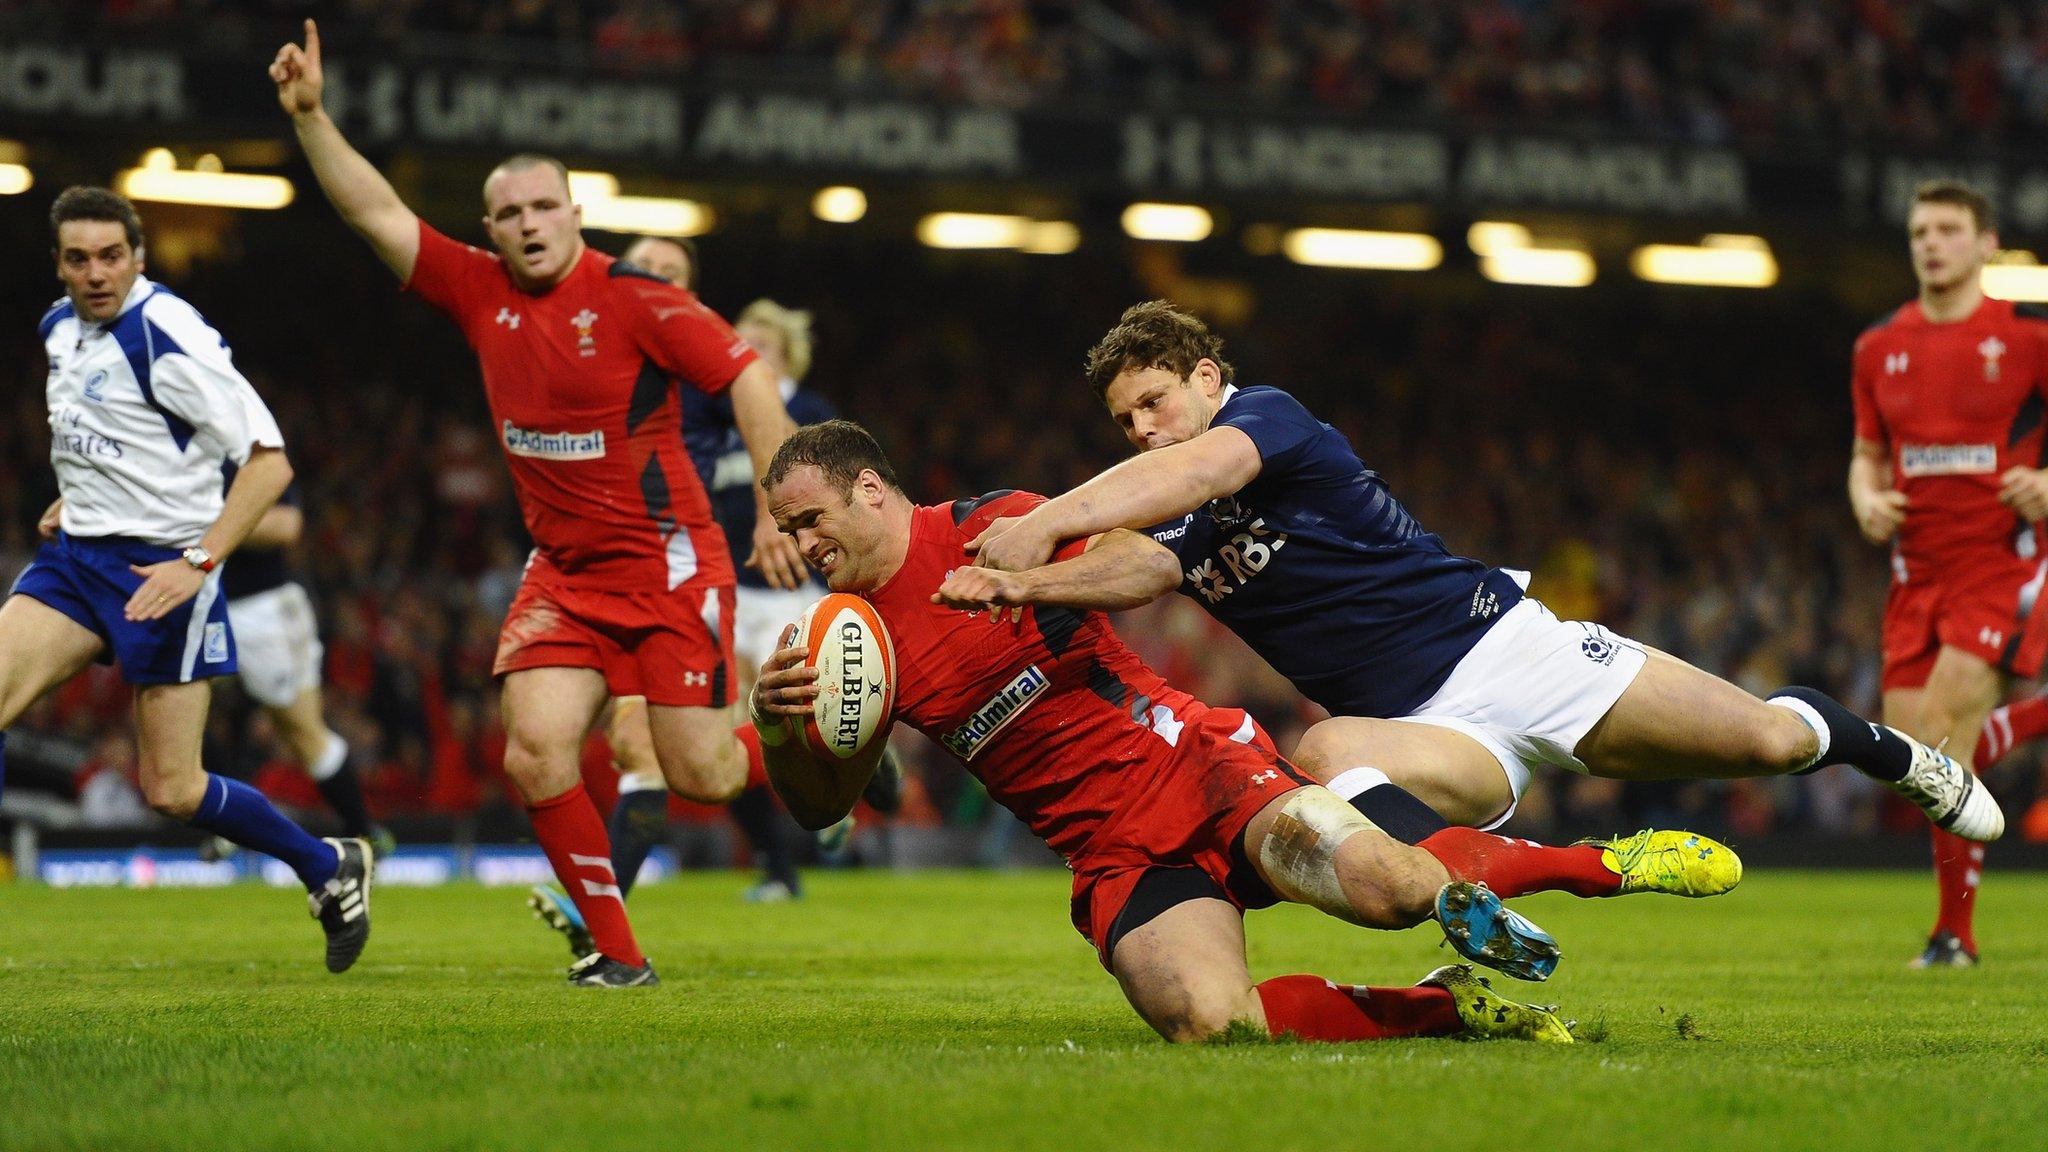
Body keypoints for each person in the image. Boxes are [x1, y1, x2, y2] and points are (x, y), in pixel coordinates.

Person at [753, 420, 1742, 1045]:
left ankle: (1596, 862)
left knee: (1390, 891)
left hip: (1195, 769)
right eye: (787, 530)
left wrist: (1023, 580)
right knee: (1206, 1022)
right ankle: (1448, 1010)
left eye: (806, 520)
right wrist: (785, 732)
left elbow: (1147, 569)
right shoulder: (854, 643)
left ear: (869, 490)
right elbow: (823, 806)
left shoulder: (998, 526)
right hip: (1110, 854)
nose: (798, 548)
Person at [965, 300, 2004, 855]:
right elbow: (1138, 568)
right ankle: (1474, 896)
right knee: (1322, 748)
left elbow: (1196, 474)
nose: (1143, 430)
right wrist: (1020, 588)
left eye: (1151, 402)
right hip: (1429, 730)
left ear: (1203, 378)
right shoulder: (1172, 514)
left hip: (1511, 650)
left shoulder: (1261, 417)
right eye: (1124, 423)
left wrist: (1043, 525)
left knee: (1772, 742)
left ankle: (1883, 751)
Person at [272, 20, 801, 986]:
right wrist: (312, 120)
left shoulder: (637, 298)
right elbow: (376, 212)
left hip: (671, 565)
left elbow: (750, 379)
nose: (527, 223)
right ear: (490, 230)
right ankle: (619, 955)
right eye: (508, 211)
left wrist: (774, 508)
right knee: (534, 755)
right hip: (564, 577)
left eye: (543, 206)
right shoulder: (480, 293)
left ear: (574, 214)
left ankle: (816, 758)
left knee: (703, 773)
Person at [5, 186, 371, 972]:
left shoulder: (168, 335)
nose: (96, 273)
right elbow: (114, 432)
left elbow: (269, 467)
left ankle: (326, 865)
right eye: (79, 258)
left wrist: (197, 562)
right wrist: (76, 494)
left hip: (164, 569)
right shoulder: (58, 329)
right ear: (59, 265)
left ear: (139, 258)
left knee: (172, 788)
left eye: (112, 256)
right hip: (76, 564)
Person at [1848, 180, 2048, 967]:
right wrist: (1865, 497)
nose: (1931, 243)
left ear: (1986, 242)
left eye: (1949, 229)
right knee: (1920, 758)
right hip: (1914, 571)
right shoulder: (1877, 347)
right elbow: (1866, 456)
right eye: (1920, 230)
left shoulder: (2030, 336)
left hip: (2001, 562)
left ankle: (1952, 937)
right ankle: (2025, 722)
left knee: (1947, 721)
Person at [201, 472, 392, 863]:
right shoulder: (170, 443)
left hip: (263, 608)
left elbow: (285, 525)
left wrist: (200, 519)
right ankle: (229, 823)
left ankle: (362, 832)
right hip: (197, 601)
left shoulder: (247, 445)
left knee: (302, 733)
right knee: (185, 716)